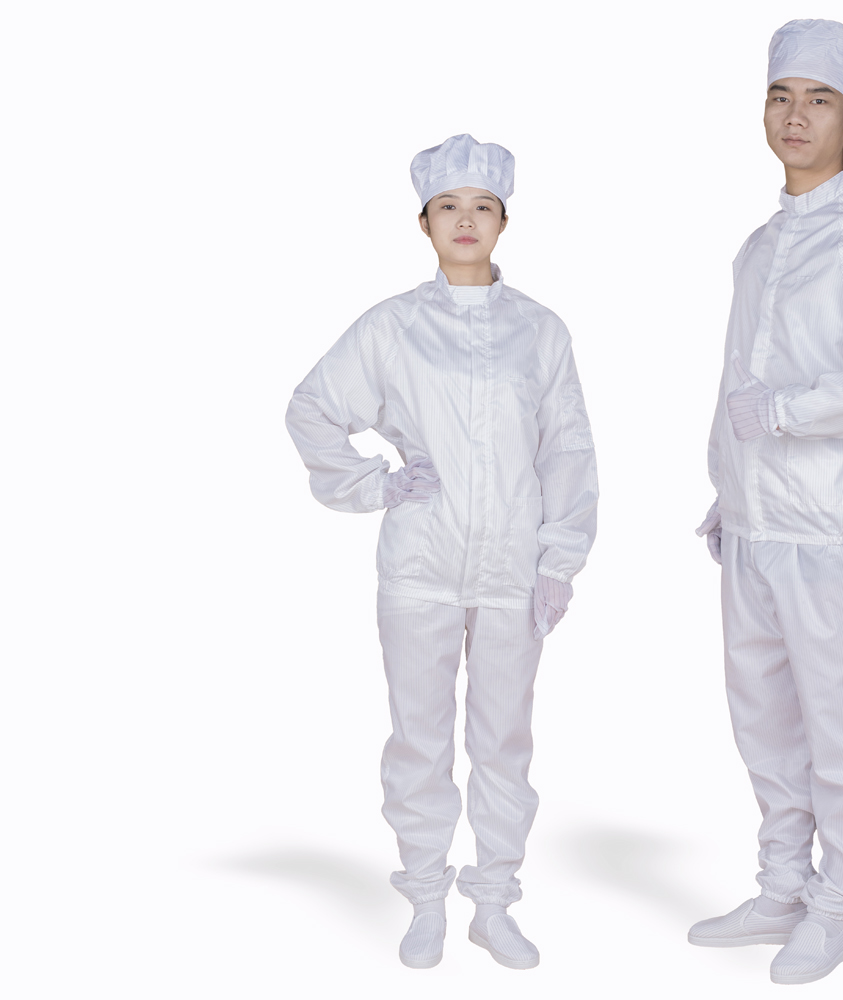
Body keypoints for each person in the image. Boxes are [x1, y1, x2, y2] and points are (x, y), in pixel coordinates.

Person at [285, 134, 598, 971]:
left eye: (482, 207)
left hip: (511, 568)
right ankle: (425, 896)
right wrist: (376, 484)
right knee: (419, 738)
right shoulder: (392, 327)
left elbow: (567, 447)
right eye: (448, 207)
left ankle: (492, 903)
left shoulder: (540, 331)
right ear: (423, 223)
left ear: (504, 222)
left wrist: (558, 560)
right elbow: (312, 407)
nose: (466, 220)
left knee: (503, 741)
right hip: (420, 566)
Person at [688, 20, 843, 986]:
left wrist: (786, 413)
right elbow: (734, 385)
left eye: (818, 100)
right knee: (761, 719)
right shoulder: (760, 246)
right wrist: (727, 489)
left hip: (826, 534)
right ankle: (782, 884)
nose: (796, 117)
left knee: (838, 724)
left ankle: (836, 906)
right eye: (781, 98)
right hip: (752, 528)